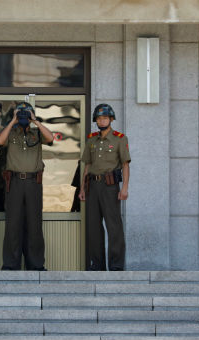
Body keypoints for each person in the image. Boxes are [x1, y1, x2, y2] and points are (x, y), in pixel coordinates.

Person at [0, 102, 53, 270]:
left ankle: (35, 265)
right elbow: (0, 141)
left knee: (34, 224)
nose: (23, 117)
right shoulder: (11, 133)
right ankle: (10, 265)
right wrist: (13, 120)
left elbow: (50, 138)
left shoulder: (36, 133)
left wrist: (35, 121)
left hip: (33, 183)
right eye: (21, 114)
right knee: (13, 224)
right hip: (13, 183)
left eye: (25, 115)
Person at [78, 103, 130, 271]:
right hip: (92, 186)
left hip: (110, 187)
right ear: (96, 120)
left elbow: (125, 165)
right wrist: (82, 188)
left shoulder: (119, 138)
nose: (102, 121)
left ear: (111, 119)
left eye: (105, 118)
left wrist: (124, 188)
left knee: (114, 226)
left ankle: (116, 265)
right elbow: (87, 165)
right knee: (93, 227)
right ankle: (97, 265)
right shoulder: (91, 139)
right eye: (99, 118)